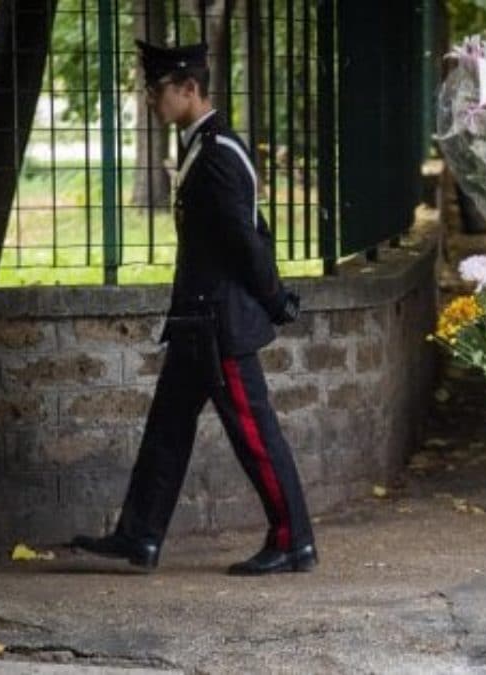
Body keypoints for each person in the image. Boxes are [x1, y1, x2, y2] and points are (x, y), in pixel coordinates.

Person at [71, 40, 316, 575]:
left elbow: (247, 239)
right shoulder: (201, 146)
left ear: (189, 88)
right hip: (195, 319)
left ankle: (293, 540)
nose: (150, 99)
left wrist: (274, 300)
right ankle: (139, 536)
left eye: (156, 89)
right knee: (167, 426)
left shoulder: (219, 152)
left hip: (220, 323)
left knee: (255, 433)